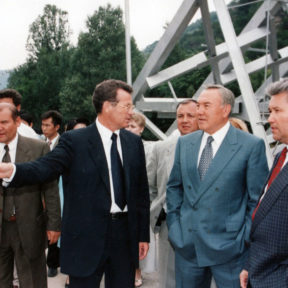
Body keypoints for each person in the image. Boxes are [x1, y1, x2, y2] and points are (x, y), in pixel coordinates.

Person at [0, 79, 150, 288]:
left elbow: (141, 192)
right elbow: (46, 166)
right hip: (86, 239)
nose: (131, 112)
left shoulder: (133, 142)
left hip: (124, 237)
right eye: (127, 106)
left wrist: (142, 234)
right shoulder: (75, 140)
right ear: (107, 106)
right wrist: (14, 170)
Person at [166, 84, 269, 288]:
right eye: (199, 105)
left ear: (225, 110)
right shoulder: (185, 143)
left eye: (206, 105)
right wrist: (176, 230)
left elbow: (256, 200)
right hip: (187, 247)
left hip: (230, 250)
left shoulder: (250, 145)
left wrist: (242, 240)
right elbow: (174, 188)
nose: (199, 111)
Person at [0, 103, 61, 288]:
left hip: (28, 227)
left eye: (4, 122)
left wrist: (54, 224)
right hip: (1, 228)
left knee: (32, 281)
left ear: (18, 121)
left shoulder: (38, 148)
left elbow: (50, 189)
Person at [239, 78, 288, 288]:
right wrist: (250, 265)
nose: (270, 119)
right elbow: (263, 217)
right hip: (260, 272)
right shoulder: (280, 156)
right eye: (269, 111)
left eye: (277, 110)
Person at [147, 99, 199, 288]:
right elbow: (150, 186)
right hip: (170, 223)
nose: (184, 120)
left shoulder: (212, 148)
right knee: (169, 280)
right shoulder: (161, 148)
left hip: (204, 225)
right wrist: (157, 211)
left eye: (190, 116)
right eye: (180, 116)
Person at [126, 112, 156, 287]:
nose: (129, 130)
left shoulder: (149, 148)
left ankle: (137, 270)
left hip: (142, 199)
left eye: (133, 126)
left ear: (141, 129)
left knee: (139, 237)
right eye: (127, 126)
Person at [40, 110, 63, 277]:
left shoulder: (63, 144)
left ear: (57, 126)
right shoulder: (39, 143)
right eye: (42, 124)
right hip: (40, 190)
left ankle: (53, 263)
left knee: (55, 224)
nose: (44, 128)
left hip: (59, 190)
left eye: (48, 125)